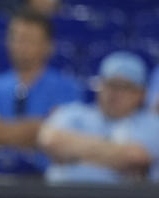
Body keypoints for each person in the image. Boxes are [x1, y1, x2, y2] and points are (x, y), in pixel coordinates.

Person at [0, 9, 82, 173]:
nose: (21, 46)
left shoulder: (67, 88)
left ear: (48, 46)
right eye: (17, 38)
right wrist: (37, 129)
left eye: (29, 40)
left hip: (50, 182)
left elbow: (63, 138)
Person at [37, 51, 159, 184]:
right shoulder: (72, 113)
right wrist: (115, 154)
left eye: (124, 87)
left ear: (140, 93)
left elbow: (134, 158)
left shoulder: (152, 124)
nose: (114, 93)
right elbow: (51, 141)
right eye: (109, 84)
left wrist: (73, 151)